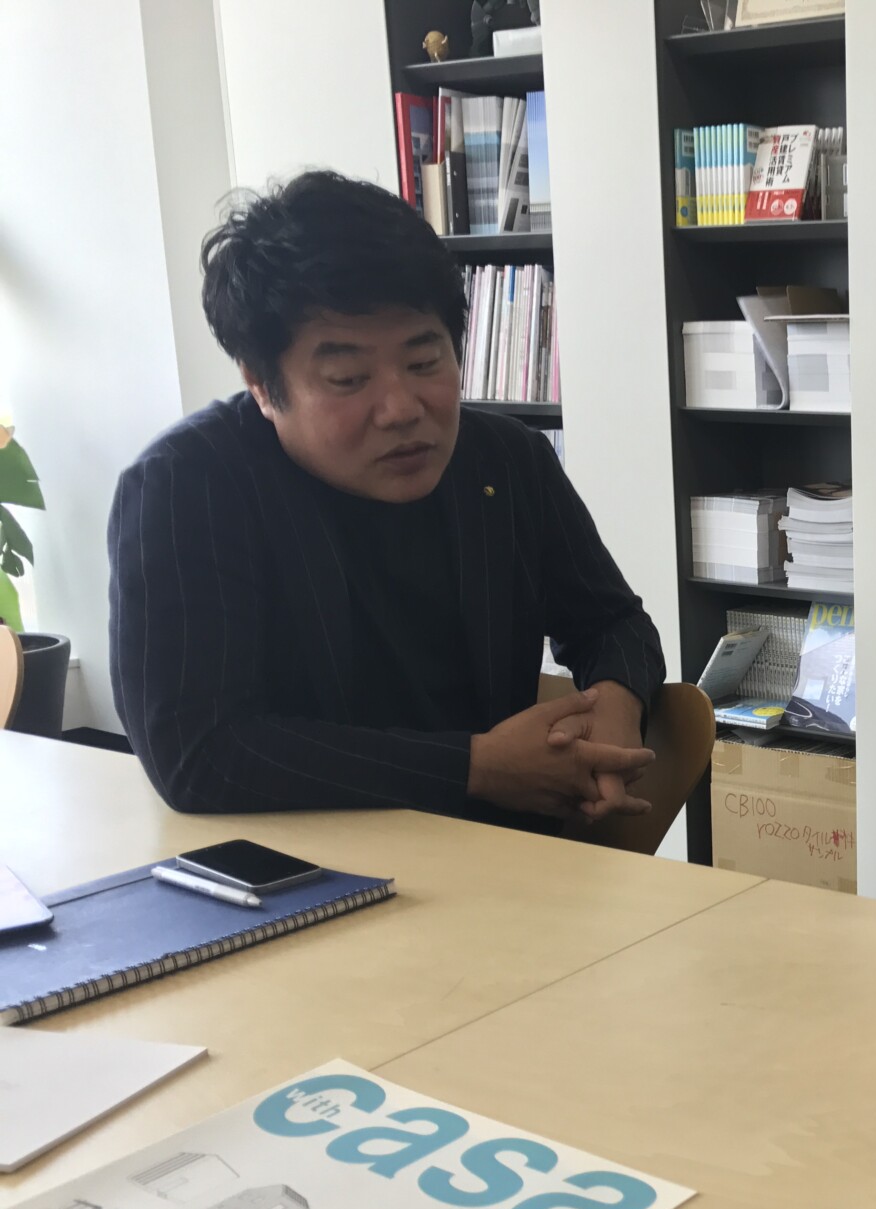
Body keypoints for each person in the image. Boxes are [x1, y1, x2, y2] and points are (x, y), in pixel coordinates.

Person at [109, 170, 663, 827]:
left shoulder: (506, 461)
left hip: (507, 859)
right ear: (260, 384)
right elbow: (197, 754)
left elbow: (612, 622)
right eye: (348, 378)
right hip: (306, 865)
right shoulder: (187, 488)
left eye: (425, 362)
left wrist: (616, 703)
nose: (401, 409)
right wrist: (474, 768)